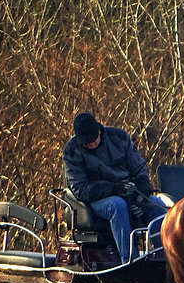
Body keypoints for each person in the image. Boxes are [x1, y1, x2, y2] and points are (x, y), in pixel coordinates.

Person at [63, 112, 165, 263]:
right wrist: (114, 188)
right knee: (117, 206)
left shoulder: (119, 137)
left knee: (159, 206)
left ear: (99, 131)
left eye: (93, 140)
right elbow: (80, 189)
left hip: (128, 191)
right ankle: (130, 260)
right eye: (86, 142)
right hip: (96, 199)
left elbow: (139, 168)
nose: (91, 144)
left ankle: (164, 257)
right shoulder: (72, 151)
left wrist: (141, 193)